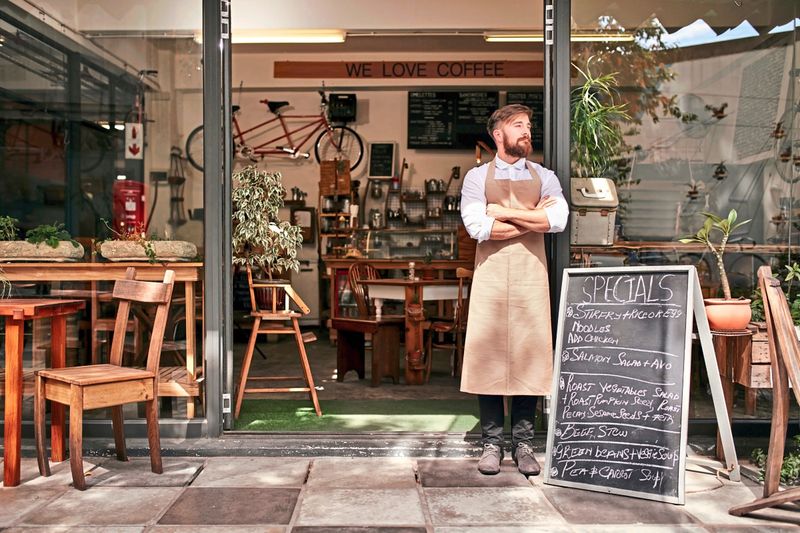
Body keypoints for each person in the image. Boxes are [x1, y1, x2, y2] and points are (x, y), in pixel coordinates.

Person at [460, 103, 569, 476]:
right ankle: (491, 442)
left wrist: (502, 213)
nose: (526, 131)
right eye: (517, 125)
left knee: (529, 355)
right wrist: (532, 219)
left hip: (530, 278)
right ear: (498, 135)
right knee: (488, 356)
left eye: (528, 124)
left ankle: (523, 442)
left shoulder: (546, 176)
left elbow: (558, 219)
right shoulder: (476, 178)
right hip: (491, 277)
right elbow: (479, 228)